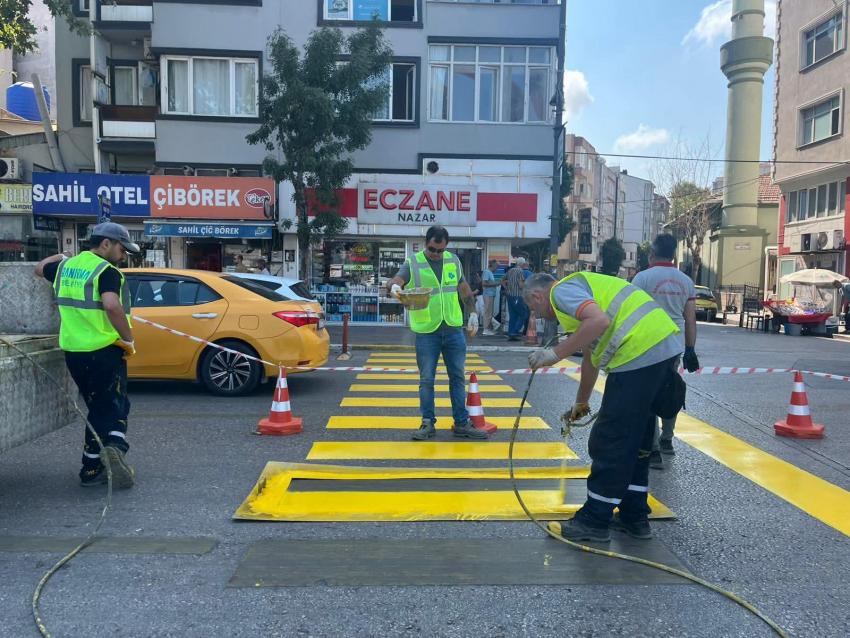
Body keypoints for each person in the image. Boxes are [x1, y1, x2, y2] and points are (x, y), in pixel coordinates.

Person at [523, 271, 680, 542]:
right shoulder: (583, 298)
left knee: (611, 440)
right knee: (639, 440)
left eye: (532, 307)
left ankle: (594, 521)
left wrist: (554, 354)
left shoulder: (561, 292)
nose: (536, 314)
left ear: (538, 296)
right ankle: (634, 516)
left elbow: (599, 320)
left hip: (638, 352)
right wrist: (581, 404)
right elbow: (591, 358)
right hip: (661, 347)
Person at [34, 222, 139, 488]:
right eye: (121, 249)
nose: (124, 255)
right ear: (106, 244)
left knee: (101, 406)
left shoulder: (65, 268)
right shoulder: (107, 271)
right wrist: (128, 338)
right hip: (104, 349)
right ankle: (101, 459)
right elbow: (112, 305)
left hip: (74, 351)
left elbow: (39, 268)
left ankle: (105, 455)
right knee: (111, 406)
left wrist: (63, 256)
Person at [387, 226, 488, 441]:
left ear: (446, 246)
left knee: (457, 378)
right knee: (426, 380)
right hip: (427, 332)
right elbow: (396, 279)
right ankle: (427, 423)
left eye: (440, 250)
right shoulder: (413, 262)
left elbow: (463, 288)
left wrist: (472, 313)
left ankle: (461, 424)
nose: (436, 254)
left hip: (453, 329)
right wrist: (394, 287)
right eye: (433, 249)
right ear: (426, 243)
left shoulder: (453, 261)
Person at [631, 234, 700, 469]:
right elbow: (690, 319)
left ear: (652, 254)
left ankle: (653, 450)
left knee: (647, 395)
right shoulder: (686, 281)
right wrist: (690, 348)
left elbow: (631, 313)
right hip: (674, 346)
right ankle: (667, 440)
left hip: (646, 345)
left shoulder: (642, 279)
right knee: (669, 389)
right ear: (673, 254)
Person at [504, 257, 529, 341]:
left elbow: (502, 280)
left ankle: (510, 333)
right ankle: (515, 332)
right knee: (523, 314)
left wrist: (506, 288)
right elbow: (521, 285)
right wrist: (526, 284)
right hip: (517, 296)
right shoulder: (520, 271)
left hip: (509, 296)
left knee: (513, 316)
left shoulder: (510, 271)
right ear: (522, 264)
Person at [481, 260, 502, 335]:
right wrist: (496, 284)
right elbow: (484, 283)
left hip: (491, 294)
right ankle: (486, 329)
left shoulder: (490, 273)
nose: (497, 269)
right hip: (488, 295)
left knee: (490, 312)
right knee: (487, 312)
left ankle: (488, 328)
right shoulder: (487, 272)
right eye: (497, 266)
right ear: (492, 265)